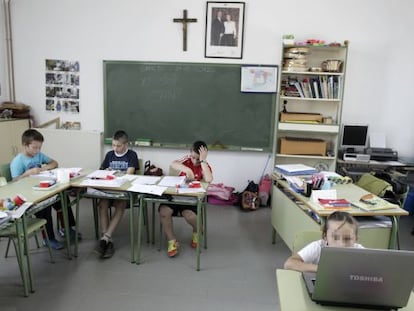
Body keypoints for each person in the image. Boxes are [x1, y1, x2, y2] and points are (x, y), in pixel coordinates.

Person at [10, 129, 80, 250]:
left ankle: (67, 228)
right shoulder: (17, 161)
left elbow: (54, 163)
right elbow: (14, 183)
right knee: (45, 206)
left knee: (62, 197)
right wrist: (27, 173)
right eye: (34, 147)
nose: (37, 150)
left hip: (42, 189)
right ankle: (48, 238)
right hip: (29, 196)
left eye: (39, 147)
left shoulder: (38, 155)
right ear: (25, 145)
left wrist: (43, 169)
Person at [159, 141, 213, 258]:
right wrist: (188, 170)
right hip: (176, 195)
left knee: (189, 216)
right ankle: (172, 241)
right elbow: (173, 163)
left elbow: (208, 179)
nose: (195, 161)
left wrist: (203, 161)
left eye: (198, 159)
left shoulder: (204, 165)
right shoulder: (187, 160)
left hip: (191, 199)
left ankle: (197, 229)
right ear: (190, 154)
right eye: (193, 157)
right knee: (164, 211)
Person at [94, 130, 139, 259]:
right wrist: (105, 173)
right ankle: (107, 237)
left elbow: (129, 174)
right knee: (102, 203)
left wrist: (114, 173)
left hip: (124, 191)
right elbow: (101, 171)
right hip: (109, 189)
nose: (115, 148)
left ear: (126, 144)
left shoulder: (132, 155)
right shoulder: (109, 155)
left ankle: (105, 239)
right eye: (113, 145)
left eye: (118, 146)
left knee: (120, 204)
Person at [283, 211, 364, 272]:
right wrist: (323, 270)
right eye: (335, 237)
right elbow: (289, 264)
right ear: (325, 237)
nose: (341, 244)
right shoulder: (317, 247)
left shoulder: (361, 251)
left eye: (347, 239)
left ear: (356, 239)